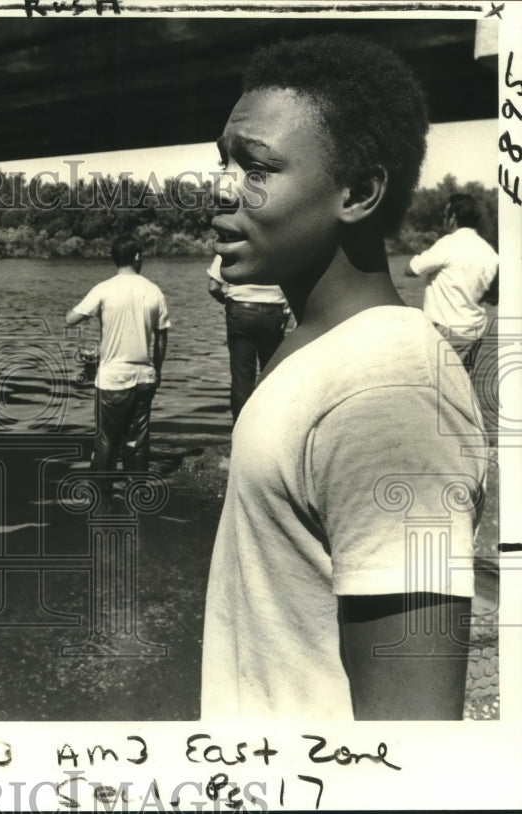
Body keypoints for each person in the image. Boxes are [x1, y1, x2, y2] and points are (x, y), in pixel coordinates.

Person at [200, 34, 488, 720]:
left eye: (257, 166)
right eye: (223, 162)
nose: (222, 190)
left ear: (357, 192)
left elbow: (413, 735)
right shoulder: (313, 345)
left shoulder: (392, 394)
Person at [65, 235, 170, 475]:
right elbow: (162, 336)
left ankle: (102, 499)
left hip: (112, 379)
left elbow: (70, 319)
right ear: (136, 257)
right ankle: (137, 495)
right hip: (144, 377)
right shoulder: (154, 291)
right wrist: (158, 370)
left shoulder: (103, 289)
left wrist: (84, 311)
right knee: (137, 441)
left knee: (106, 441)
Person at [405, 193, 499, 366]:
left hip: (446, 332)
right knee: (461, 386)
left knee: (437, 388)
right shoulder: (490, 252)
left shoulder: (448, 243)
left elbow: (411, 269)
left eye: (446, 214)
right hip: (475, 332)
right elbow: (494, 298)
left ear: (453, 218)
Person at [206, 255, 289, 422]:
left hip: (240, 312)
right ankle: (269, 427)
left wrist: (227, 302)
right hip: (273, 315)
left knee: (241, 379)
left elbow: (214, 286)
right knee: (271, 376)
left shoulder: (232, 245)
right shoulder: (279, 242)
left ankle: (240, 431)